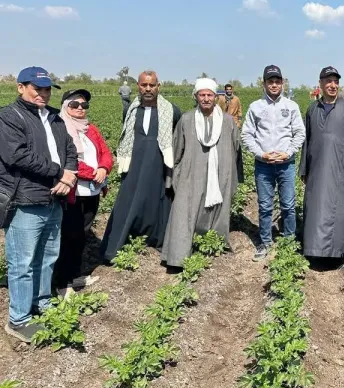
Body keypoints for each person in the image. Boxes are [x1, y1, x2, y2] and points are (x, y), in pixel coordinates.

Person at [0, 67, 78, 343]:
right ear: (21, 87)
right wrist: (59, 173)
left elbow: (70, 150)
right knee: (22, 262)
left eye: (46, 89)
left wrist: (69, 177)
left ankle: (42, 304)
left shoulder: (55, 117)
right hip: (25, 199)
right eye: (37, 88)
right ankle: (18, 319)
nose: (43, 94)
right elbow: (18, 156)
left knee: (47, 258)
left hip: (53, 198)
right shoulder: (9, 117)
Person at [100, 71, 181, 262]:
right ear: (138, 86)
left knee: (158, 198)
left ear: (158, 87)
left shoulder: (172, 110)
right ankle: (121, 241)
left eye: (152, 85)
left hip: (158, 163)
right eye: (144, 85)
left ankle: (157, 238)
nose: (148, 89)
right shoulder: (130, 110)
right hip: (134, 163)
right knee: (129, 199)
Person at [161, 79, 241, 268]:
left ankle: (212, 246)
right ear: (196, 96)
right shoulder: (187, 119)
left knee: (217, 209)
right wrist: (175, 175)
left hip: (220, 173)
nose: (206, 99)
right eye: (202, 95)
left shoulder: (228, 121)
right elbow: (177, 148)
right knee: (184, 211)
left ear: (215, 97)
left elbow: (235, 147)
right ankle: (177, 257)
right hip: (191, 173)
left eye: (209, 95)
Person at [53, 89, 113, 298]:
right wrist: (92, 173)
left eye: (84, 105)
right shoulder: (59, 130)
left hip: (92, 191)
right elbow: (67, 161)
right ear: (65, 106)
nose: (80, 108)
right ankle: (62, 283)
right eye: (74, 104)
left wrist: (104, 168)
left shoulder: (90, 129)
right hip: (72, 192)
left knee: (82, 235)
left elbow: (105, 152)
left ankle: (74, 275)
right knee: (69, 236)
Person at [242, 65, 305, 260]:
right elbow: (246, 135)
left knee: (288, 204)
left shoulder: (291, 106)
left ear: (283, 83)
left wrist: (288, 152)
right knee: (265, 205)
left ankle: (289, 241)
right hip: (264, 165)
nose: (275, 85)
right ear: (264, 83)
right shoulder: (255, 107)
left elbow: (299, 133)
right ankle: (265, 242)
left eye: (278, 81)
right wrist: (261, 154)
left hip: (286, 164)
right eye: (271, 81)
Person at [300, 66, 344, 259]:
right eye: (328, 81)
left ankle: (340, 251)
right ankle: (314, 251)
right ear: (320, 84)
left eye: (336, 81)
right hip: (317, 169)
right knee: (316, 207)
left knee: (341, 208)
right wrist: (304, 168)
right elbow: (306, 141)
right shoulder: (312, 109)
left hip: (341, 169)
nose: (333, 85)